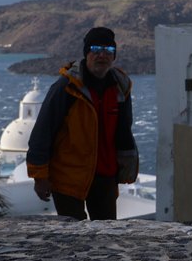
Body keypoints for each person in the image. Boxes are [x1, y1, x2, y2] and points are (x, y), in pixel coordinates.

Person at [27, 26, 138, 220]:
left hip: (105, 175)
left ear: (114, 56)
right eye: (95, 49)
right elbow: (43, 131)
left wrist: (126, 168)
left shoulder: (121, 88)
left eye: (108, 51)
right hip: (68, 177)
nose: (101, 55)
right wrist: (40, 177)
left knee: (105, 235)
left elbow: (124, 129)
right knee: (73, 237)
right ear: (86, 53)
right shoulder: (66, 88)